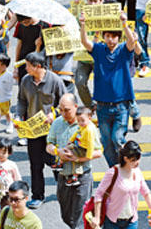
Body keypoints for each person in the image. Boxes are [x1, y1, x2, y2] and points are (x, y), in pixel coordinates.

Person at [79, 10, 136, 167]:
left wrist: (124, 23)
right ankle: (115, 169)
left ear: (119, 37)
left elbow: (132, 42)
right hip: (102, 106)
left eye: (114, 36)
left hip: (121, 105)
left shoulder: (124, 50)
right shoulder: (99, 50)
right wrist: (83, 24)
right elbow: (85, 42)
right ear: (104, 36)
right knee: (106, 142)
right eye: (108, 36)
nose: (111, 40)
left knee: (117, 138)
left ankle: (127, 165)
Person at [16, 52, 66, 209]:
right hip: (33, 130)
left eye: (28, 66)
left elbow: (66, 101)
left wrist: (55, 113)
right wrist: (18, 116)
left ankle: (64, 190)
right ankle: (38, 195)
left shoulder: (55, 81)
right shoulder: (25, 81)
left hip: (53, 131)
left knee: (55, 162)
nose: (26, 68)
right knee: (35, 164)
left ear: (38, 66)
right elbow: (21, 101)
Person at [47, 94, 102, 229]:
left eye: (67, 110)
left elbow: (99, 152)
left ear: (75, 107)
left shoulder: (87, 127)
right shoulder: (57, 123)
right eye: (61, 110)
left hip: (82, 176)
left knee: (79, 216)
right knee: (66, 215)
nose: (63, 113)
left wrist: (78, 159)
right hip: (63, 175)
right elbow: (49, 145)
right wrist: (57, 152)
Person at [91, 141, 151, 229]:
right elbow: (99, 194)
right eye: (133, 160)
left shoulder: (137, 172)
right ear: (125, 159)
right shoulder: (113, 173)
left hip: (131, 221)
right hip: (113, 221)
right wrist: (97, 217)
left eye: (138, 159)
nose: (137, 162)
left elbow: (146, 193)